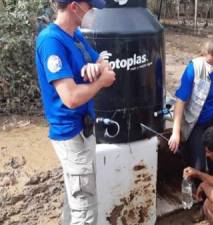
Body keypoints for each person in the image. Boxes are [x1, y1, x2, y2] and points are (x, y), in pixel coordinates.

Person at [35, 0, 115, 224]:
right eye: (90, 7)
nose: (93, 12)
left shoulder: (75, 36)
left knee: (75, 199)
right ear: (74, 7)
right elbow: (70, 97)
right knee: (85, 209)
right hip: (71, 134)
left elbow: (102, 60)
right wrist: (101, 82)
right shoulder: (52, 41)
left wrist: (97, 68)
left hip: (85, 130)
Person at [168, 35, 213, 176]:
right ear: (204, 53)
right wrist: (175, 132)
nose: (210, 65)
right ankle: (199, 191)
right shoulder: (194, 67)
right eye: (208, 61)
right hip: (195, 120)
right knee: (198, 164)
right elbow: (180, 100)